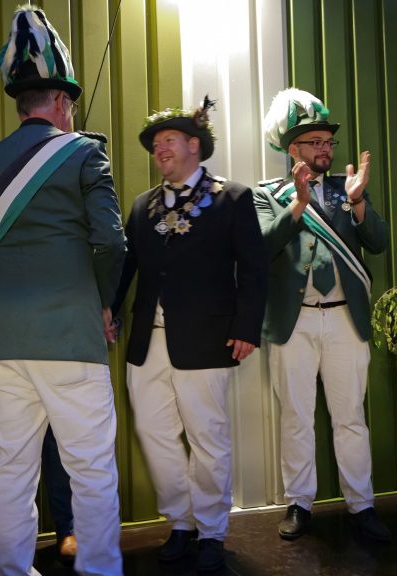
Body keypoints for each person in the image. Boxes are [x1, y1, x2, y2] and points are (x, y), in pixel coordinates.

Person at [0, 6, 126, 575]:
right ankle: (99, 570)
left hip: (4, 345)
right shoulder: (85, 152)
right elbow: (111, 242)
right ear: (63, 102)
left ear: (22, 103)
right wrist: (103, 302)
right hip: (71, 336)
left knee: (12, 471)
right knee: (90, 469)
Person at [112, 98, 267, 571]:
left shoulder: (232, 198)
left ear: (194, 145)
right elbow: (126, 267)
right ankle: (181, 522)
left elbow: (254, 269)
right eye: (155, 144)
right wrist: (109, 309)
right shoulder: (142, 206)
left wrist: (247, 327)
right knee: (153, 431)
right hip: (148, 341)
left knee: (208, 436)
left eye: (168, 140)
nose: (159, 149)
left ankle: (212, 531)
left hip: (206, 338)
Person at [253, 88, 391, 543]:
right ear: (292, 148)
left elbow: (378, 242)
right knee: (296, 416)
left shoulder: (346, 190)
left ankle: (362, 505)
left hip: (344, 318)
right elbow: (262, 246)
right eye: (315, 142)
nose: (326, 148)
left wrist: (358, 202)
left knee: (350, 416)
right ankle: (299, 503)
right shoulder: (267, 195)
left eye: (328, 141)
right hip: (294, 322)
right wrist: (298, 202)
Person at [0, 277, 78, 564]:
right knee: (15, 457)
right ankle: (16, 560)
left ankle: (67, 530)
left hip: (50, 348)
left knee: (59, 445)